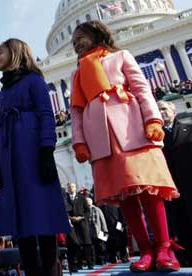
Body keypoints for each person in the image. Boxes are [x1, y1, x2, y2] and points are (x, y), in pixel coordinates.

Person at [70, 20, 180, 272]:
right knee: (125, 197)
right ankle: (146, 250)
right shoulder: (77, 74)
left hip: (131, 130)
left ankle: (164, 247)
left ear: (96, 34)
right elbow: (76, 111)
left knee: (149, 191)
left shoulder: (120, 57)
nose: (76, 44)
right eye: (74, 42)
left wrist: (153, 119)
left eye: (80, 38)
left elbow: (142, 89)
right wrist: (79, 141)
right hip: (101, 140)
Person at [0, 38, 70, 276]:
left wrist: (46, 149)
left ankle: (50, 271)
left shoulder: (34, 81)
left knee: (42, 214)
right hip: (9, 157)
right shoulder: (3, 93)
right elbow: (0, 126)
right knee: (20, 219)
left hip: (32, 154)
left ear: (14, 53)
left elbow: (46, 114)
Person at [158, 100, 192, 266]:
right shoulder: (156, 138)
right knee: (180, 226)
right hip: (172, 190)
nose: (161, 112)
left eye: (164, 108)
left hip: (189, 184)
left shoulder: (189, 130)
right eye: (158, 110)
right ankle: (186, 259)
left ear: (174, 112)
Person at [64, 182, 92, 271]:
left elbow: (88, 211)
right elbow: (64, 211)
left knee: (86, 244)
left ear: (75, 188)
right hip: (72, 224)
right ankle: (78, 264)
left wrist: (82, 217)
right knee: (75, 244)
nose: (71, 188)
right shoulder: (65, 199)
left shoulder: (82, 198)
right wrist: (70, 218)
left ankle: (89, 263)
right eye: (69, 187)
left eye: (72, 187)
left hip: (82, 223)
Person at [85, 197, 108, 266]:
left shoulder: (97, 209)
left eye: (89, 202)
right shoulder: (84, 210)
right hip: (89, 230)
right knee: (91, 247)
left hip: (98, 230)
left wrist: (105, 230)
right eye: (87, 202)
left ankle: (101, 260)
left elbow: (102, 220)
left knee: (100, 246)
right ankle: (93, 261)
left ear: (92, 202)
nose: (88, 203)